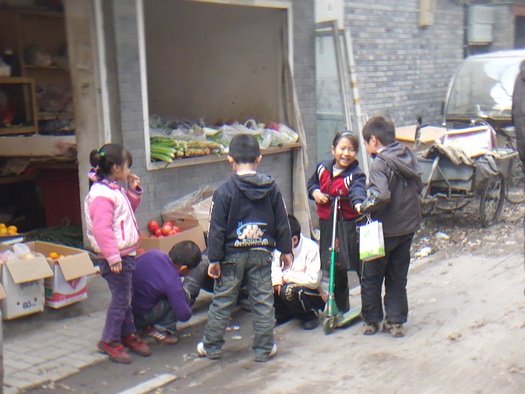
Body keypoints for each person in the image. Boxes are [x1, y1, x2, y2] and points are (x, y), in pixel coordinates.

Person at [197, 134, 293, 362]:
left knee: (223, 300)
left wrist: (214, 259)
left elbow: (217, 228)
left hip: (231, 255)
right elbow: (282, 221)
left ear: (230, 160)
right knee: (262, 299)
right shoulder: (271, 187)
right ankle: (264, 348)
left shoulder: (224, 191)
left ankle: (211, 347)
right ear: (259, 159)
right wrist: (286, 250)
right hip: (261, 253)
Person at [84, 143, 150, 364]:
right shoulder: (102, 194)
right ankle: (110, 340)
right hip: (116, 258)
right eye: (127, 167)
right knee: (122, 300)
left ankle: (128, 333)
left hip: (124, 254)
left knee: (125, 297)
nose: (129, 171)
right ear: (115, 167)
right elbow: (102, 230)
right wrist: (113, 257)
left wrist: (132, 190)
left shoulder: (113, 188)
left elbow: (125, 212)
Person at [359, 116, 422, 338]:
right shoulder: (407, 155)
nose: (366, 148)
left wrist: (363, 207)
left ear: (373, 140)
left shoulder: (379, 163)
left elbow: (381, 195)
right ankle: (395, 322)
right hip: (408, 227)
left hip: (383, 230)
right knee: (397, 276)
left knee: (372, 275)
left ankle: (371, 320)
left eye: (365, 143)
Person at [307, 131, 367, 313]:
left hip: (349, 225)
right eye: (342, 148)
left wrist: (358, 204)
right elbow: (311, 184)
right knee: (335, 265)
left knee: (360, 265)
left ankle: (370, 308)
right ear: (333, 150)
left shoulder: (356, 175)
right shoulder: (322, 168)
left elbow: (358, 191)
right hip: (328, 224)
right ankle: (341, 308)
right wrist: (315, 193)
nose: (346, 153)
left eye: (351, 150)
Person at [132, 241, 202, 345]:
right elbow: (184, 316)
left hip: (128, 308)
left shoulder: (154, 253)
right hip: (141, 316)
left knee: (169, 294)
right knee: (182, 298)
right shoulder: (173, 281)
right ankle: (162, 329)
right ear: (183, 268)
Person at [272, 215, 325, 330]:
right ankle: (285, 313)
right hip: (288, 284)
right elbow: (274, 268)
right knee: (269, 283)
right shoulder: (279, 248)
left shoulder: (311, 248)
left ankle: (309, 315)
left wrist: (286, 277)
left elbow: (313, 281)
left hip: (310, 291)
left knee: (288, 290)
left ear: (294, 239)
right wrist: (276, 281)